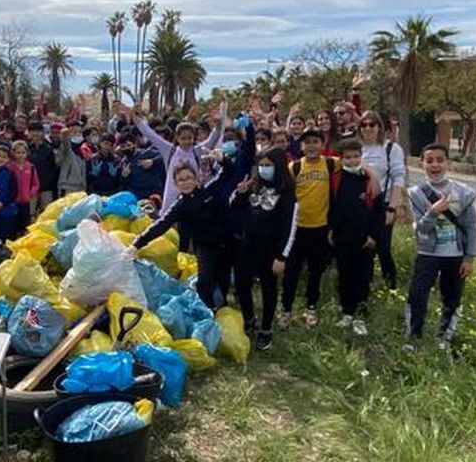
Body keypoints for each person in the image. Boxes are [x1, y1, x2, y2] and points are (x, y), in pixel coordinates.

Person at [405, 145, 476, 349]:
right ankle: (413, 337)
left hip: (456, 255)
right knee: (417, 294)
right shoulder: (416, 193)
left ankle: (444, 339)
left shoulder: (463, 193)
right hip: (427, 253)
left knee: (452, 297)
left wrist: (469, 257)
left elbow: (472, 227)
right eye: (429, 160)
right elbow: (421, 228)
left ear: (448, 163)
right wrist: (433, 212)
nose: (435, 165)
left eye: (440, 160)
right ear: (422, 164)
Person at [131, 165, 231, 311]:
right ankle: (208, 313)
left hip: (226, 243)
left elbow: (228, 171)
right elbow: (162, 224)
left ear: (197, 180)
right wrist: (137, 243)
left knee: (223, 278)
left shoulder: (209, 190)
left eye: (189, 178)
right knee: (205, 280)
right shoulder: (180, 205)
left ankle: (224, 306)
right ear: (176, 184)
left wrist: (223, 160)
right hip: (204, 246)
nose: (185, 182)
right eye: (181, 180)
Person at [231, 146, 297, 351]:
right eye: (261, 165)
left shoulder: (287, 194)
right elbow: (235, 206)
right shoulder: (254, 186)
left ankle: (266, 328)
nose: (264, 169)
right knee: (242, 285)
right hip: (247, 245)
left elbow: (290, 226)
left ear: (278, 166)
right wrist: (240, 193)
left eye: (268, 165)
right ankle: (249, 319)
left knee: (269, 289)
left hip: (270, 249)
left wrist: (282, 256)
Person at [280, 128, 336, 328]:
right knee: (291, 273)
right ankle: (286, 309)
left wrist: (371, 175)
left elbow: (354, 162)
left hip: (320, 228)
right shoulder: (294, 167)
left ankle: (311, 308)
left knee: (315, 272)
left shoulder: (330, 164)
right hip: (296, 230)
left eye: (315, 141)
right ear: (301, 146)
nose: (311, 145)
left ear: (322, 145)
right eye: (307, 142)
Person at [329, 138, 380, 336]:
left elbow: (377, 210)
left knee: (362, 278)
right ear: (341, 159)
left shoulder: (369, 179)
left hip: (364, 240)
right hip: (342, 237)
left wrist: (373, 235)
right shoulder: (336, 178)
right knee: (344, 276)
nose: (352, 161)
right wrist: (332, 229)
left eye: (356, 156)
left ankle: (360, 316)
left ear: (362, 157)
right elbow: (333, 207)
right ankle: (347, 313)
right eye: (348, 157)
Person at [356, 111, 407, 289]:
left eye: (372, 124)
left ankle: (391, 286)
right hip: (361, 206)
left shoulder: (391, 149)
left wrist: (392, 208)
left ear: (379, 127)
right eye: (364, 125)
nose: (368, 128)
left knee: (383, 248)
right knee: (364, 248)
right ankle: (365, 287)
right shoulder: (357, 149)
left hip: (382, 204)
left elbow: (398, 179)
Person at [9, 140, 39, 233]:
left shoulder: (31, 167)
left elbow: (36, 183)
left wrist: (31, 193)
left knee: (25, 224)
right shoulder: (10, 167)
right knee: (13, 224)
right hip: (13, 200)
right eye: (18, 152)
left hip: (26, 200)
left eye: (23, 152)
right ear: (13, 153)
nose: (21, 155)